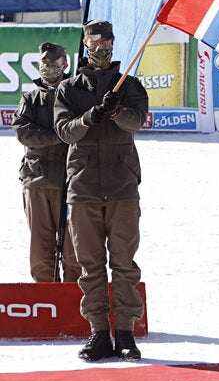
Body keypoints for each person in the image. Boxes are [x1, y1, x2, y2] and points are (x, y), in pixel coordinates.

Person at [53, 20, 149, 362]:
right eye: (94, 45)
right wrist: (89, 117)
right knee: (90, 265)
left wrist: (117, 110)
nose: (100, 50)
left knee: (124, 264)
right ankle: (98, 332)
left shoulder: (130, 85)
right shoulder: (68, 89)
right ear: (85, 45)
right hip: (83, 188)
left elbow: (138, 121)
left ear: (112, 44)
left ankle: (125, 332)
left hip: (122, 186)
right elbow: (64, 131)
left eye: (106, 44)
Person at [13, 42, 82, 283]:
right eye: (43, 63)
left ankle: (73, 295)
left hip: (71, 180)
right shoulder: (30, 98)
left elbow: (81, 130)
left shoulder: (75, 96)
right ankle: (45, 295)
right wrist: (60, 135)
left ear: (65, 65)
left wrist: (66, 133)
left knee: (74, 249)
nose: (47, 68)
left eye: (53, 63)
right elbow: (24, 133)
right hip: (37, 179)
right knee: (41, 249)